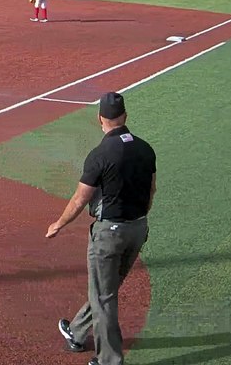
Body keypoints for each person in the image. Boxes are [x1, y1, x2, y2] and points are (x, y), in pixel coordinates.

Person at [46, 92, 155, 365]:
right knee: (106, 289)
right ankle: (78, 331)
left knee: (105, 297)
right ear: (125, 117)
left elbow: (80, 198)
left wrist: (59, 224)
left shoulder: (100, 155)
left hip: (109, 235)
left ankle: (109, 360)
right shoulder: (146, 148)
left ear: (100, 120)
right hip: (138, 229)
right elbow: (152, 190)